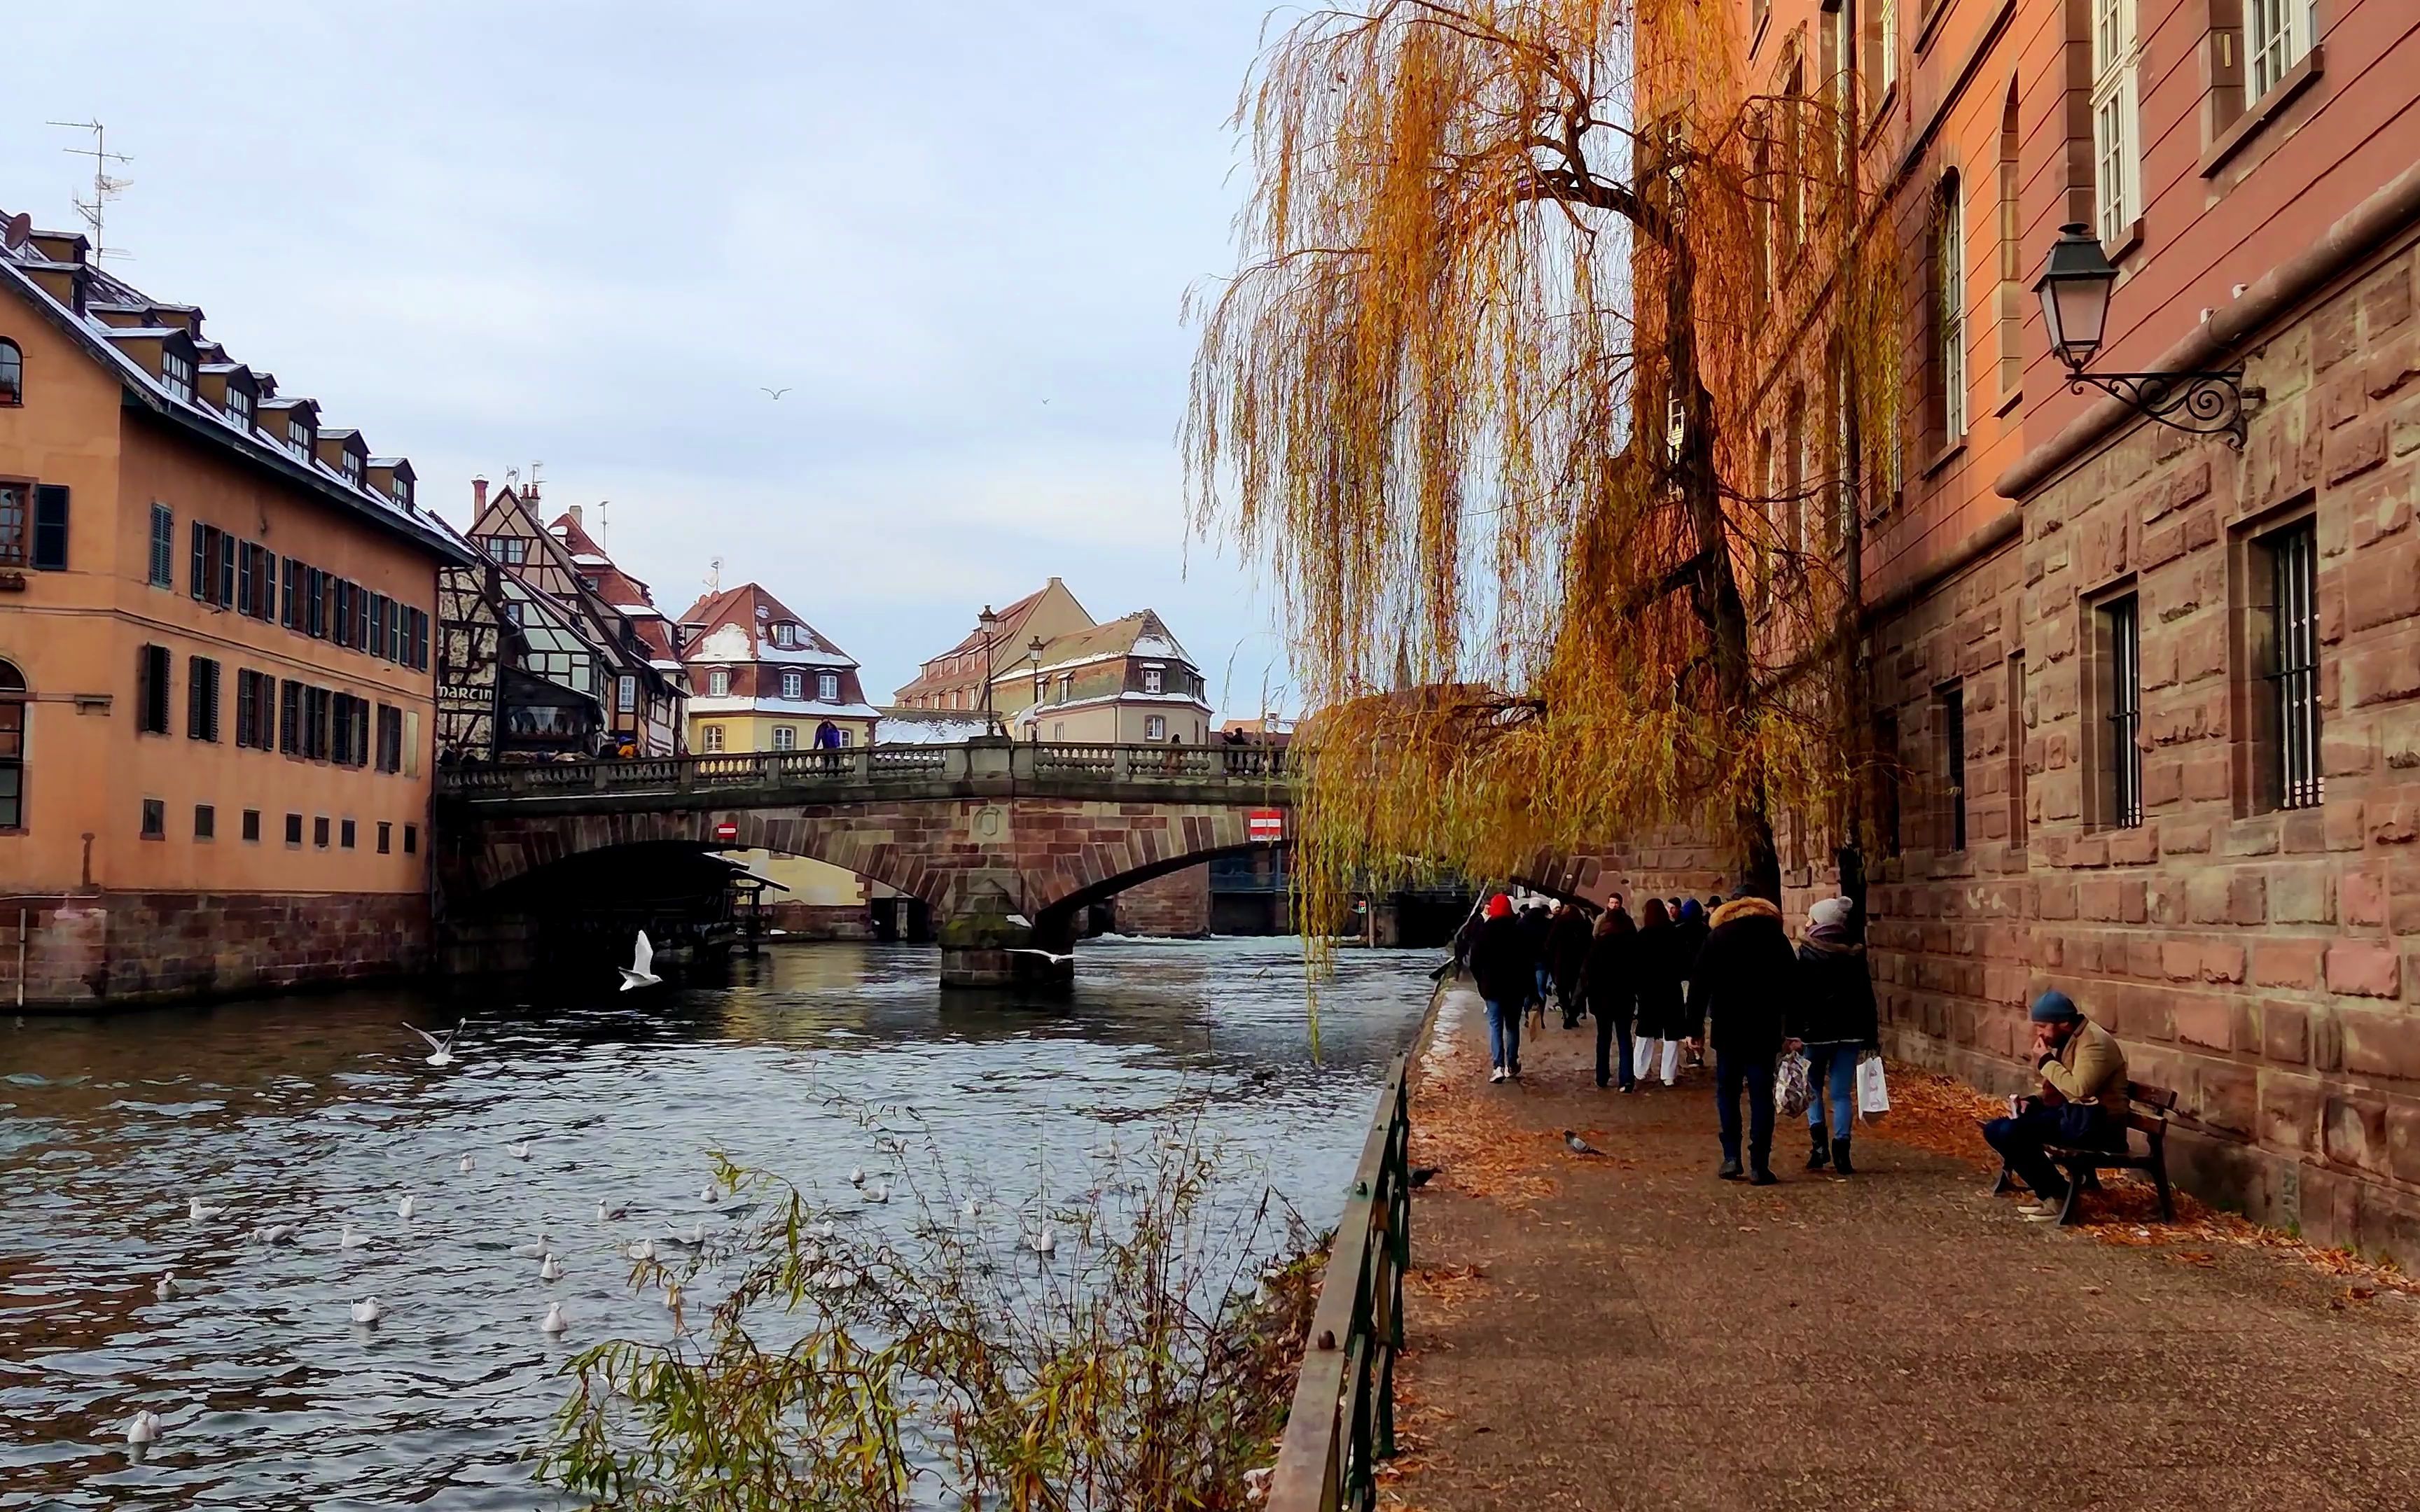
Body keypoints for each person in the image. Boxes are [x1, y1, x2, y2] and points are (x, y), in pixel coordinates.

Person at [1983, 991, 2130, 1220]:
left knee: (2010, 1132)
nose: (2039, 1033)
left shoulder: (2094, 1043)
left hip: (2100, 1126)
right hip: (2076, 1118)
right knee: (1997, 1129)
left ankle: (2057, 1195)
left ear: (2063, 1023)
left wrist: (2045, 1061)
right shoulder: (2072, 1039)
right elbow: (2061, 1087)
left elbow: (2079, 1089)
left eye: (2042, 1026)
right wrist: (2033, 1101)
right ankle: (2053, 1191)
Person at [1690, 891, 1797, 1184]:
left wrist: (1694, 1029)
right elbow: (1794, 987)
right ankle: (1760, 1163)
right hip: (1764, 1028)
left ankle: (1731, 1157)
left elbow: (1699, 985)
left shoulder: (1718, 938)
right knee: (1761, 1096)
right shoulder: (1776, 939)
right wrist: (1795, 1030)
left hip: (1729, 1028)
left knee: (1728, 1093)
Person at [1791, 896, 1879, 1175]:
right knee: (1841, 1093)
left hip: (1815, 1033)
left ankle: (1819, 1148)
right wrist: (1870, 1036)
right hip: (1850, 1032)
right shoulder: (1854, 954)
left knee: (1814, 1089)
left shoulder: (1805, 954)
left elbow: (1797, 998)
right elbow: (1867, 997)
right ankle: (1843, 1151)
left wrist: (1793, 1032)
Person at [1467, 894, 1534, 1084]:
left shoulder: (1484, 931)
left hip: (1493, 988)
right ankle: (1512, 1064)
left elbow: (1475, 962)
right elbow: (1528, 963)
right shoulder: (1519, 931)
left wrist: (1482, 983)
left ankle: (1498, 1067)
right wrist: (1530, 989)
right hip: (1515, 988)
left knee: (1496, 1026)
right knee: (1512, 1027)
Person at [1631, 899, 1686, 1087]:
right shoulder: (1675, 934)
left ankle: (1639, 1070)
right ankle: (1668, 1075)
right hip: (1670, 988)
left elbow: (1636, 966)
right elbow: (1683, 962)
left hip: (1649, 990)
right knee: (1671, 1033)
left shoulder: (1642, 936)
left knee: (1645, 1031)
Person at [1583, 904, 1638, 1091]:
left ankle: (1602, 1075)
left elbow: (1588, 973)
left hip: (1602, 998)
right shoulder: (1632, 944)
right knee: (1624, 1037)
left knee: (1604, 1037)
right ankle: (1627, 1079)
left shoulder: (1599, 944)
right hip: (1625, 997)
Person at [1674, 898, 1711, 1064]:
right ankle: (1698, 1051)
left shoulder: (1678, 931)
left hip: (1684, 978)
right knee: (1699, 1015)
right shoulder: (1707, 931)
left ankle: (1691, 1048)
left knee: (1687, 1014)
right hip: (1703, 976)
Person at [1547, 901, 1593, 1029]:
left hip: (1562, 962)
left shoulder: (1560, 924)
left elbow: (1550, 943)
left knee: (1563, 991)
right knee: (1576, 992)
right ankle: (1573, 1015)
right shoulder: (1583, 925)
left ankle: (1567, 1012)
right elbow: (1590, 944)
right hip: (1578, 962)